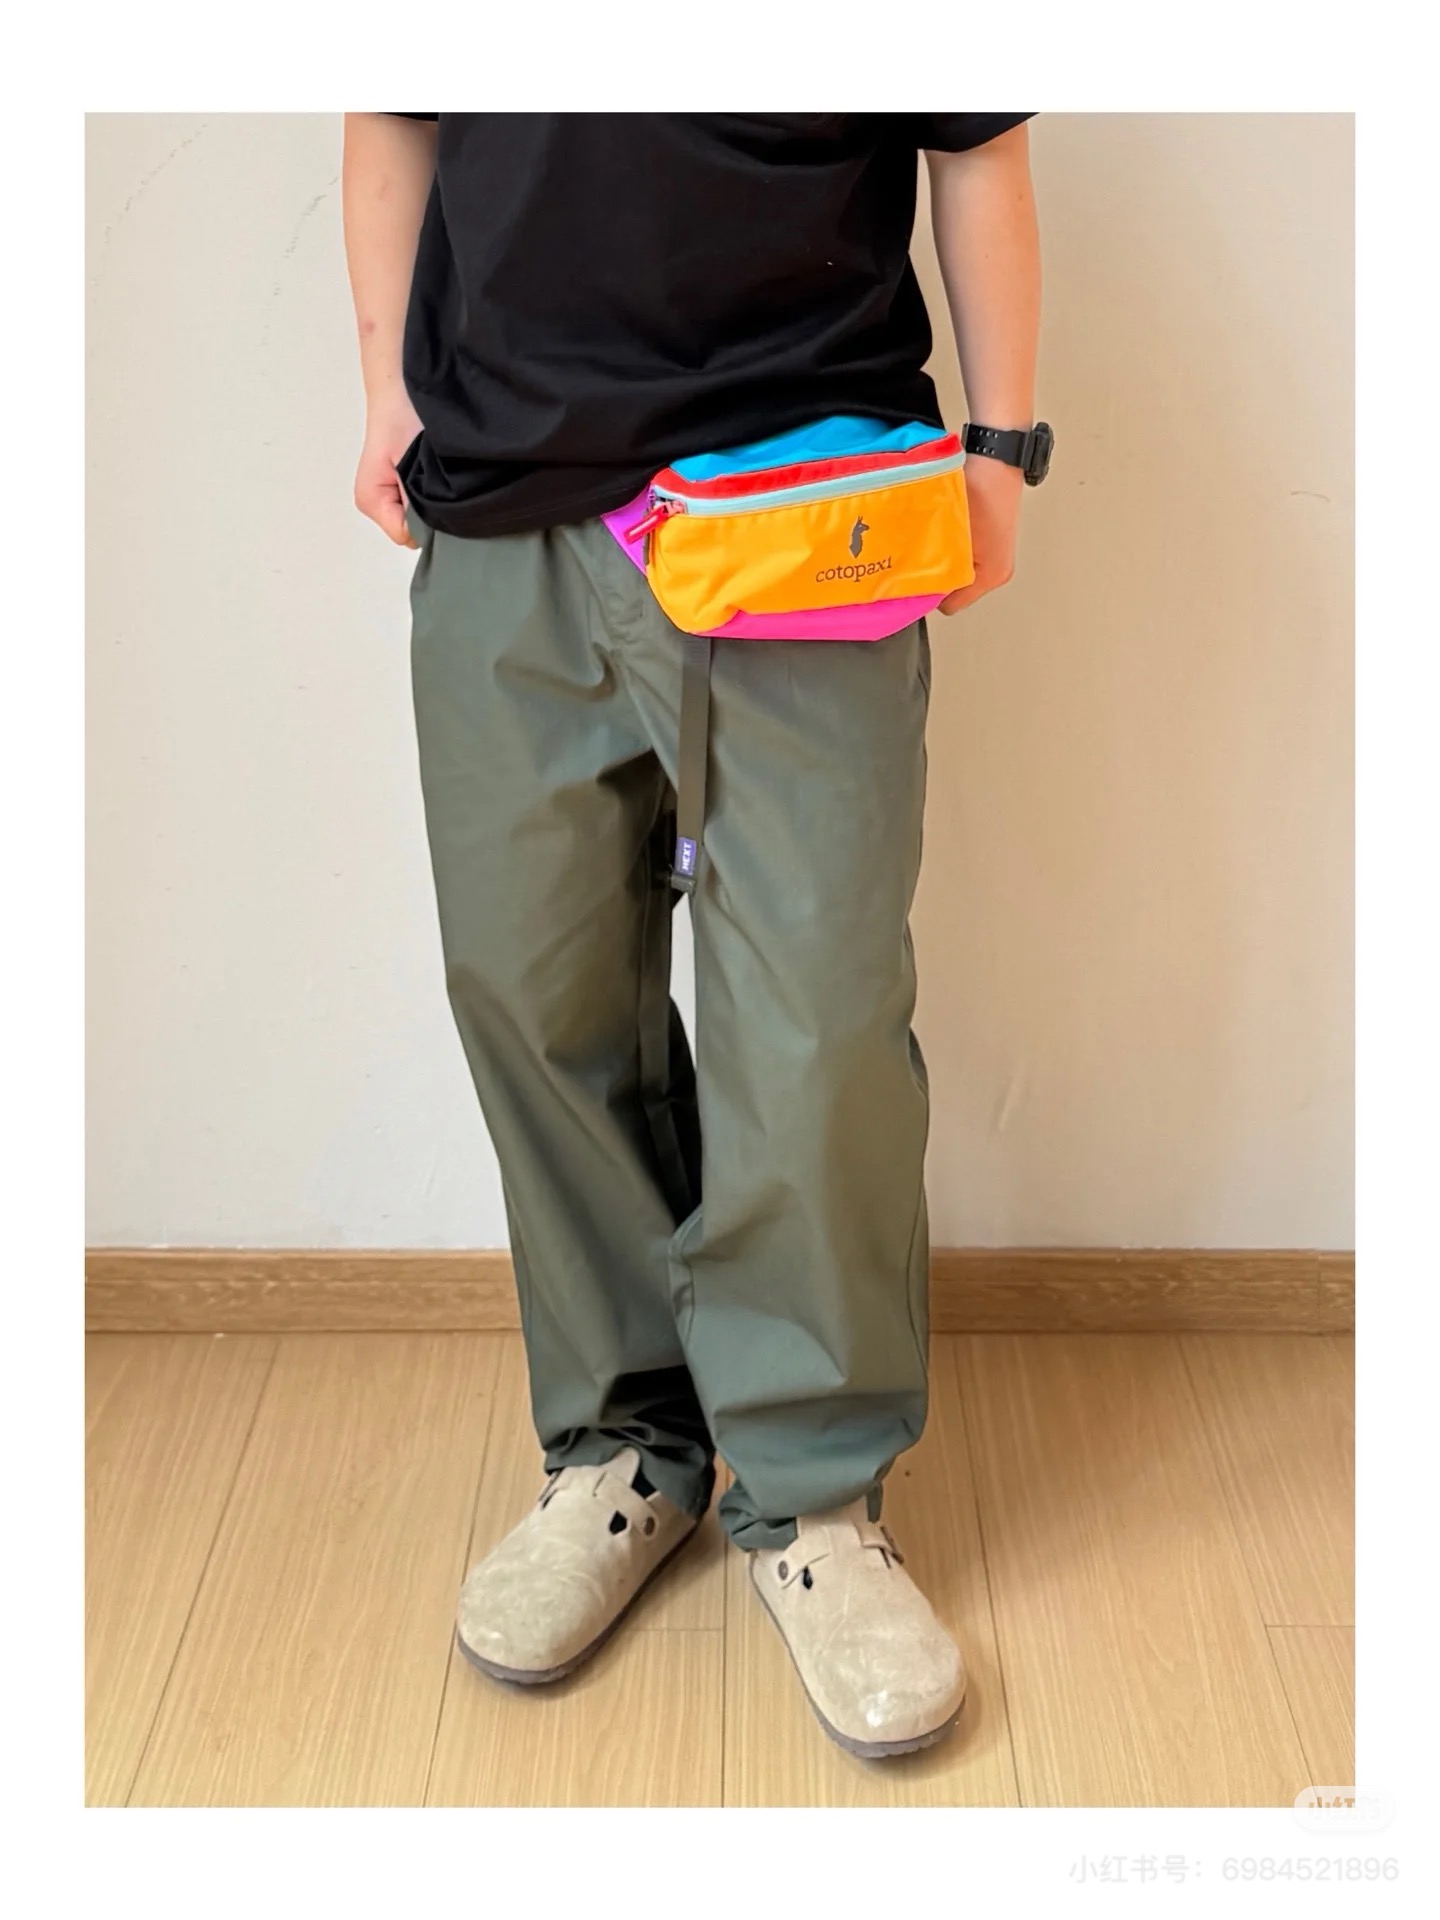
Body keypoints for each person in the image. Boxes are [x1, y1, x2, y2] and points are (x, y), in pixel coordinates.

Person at [342, 111, 1045, 1760]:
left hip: (806, 489)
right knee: (533, 991)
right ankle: (619, 1449)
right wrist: (385, 386)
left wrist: (1004, 445)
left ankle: (813, 1496)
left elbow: (981, 140)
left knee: (814, 1018)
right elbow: (392, 104)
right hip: (504, 485)